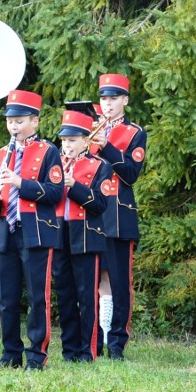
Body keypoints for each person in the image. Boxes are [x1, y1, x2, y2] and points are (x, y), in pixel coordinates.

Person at [0, 89, 63, 372]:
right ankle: (10, 354)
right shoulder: (1, 153)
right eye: (10, 121)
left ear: (35, 121)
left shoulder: (48, 151)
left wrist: (20, 182)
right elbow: (0, 190)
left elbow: (56, 193)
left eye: (19, 121)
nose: (14, 127)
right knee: (6, 298)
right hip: (7, 229)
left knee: (37, 297)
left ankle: (36, 356)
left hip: (36, 232)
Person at [92, 73, 146, 361]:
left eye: (113, 99)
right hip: (90, 212)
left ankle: (116, 344)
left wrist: (106, 146)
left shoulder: (135, 133)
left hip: (118, 215)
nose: (107, 104)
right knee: (93, 280)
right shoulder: (87, 128)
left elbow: (130, 174)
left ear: (125, 100)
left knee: (118, 282)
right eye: (103, 99)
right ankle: (95, 340)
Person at [53, 109, 111, 362]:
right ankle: (69, 350)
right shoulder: (53, 164)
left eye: (73, 140)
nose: (67, 145)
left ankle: (90, 350)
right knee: (64, 294)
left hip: (86, 235)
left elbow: (99, 205)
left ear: (86, 141)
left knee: (87, 295)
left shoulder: (100, 166)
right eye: (64, 140)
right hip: (58, 233)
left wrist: (73, 186)